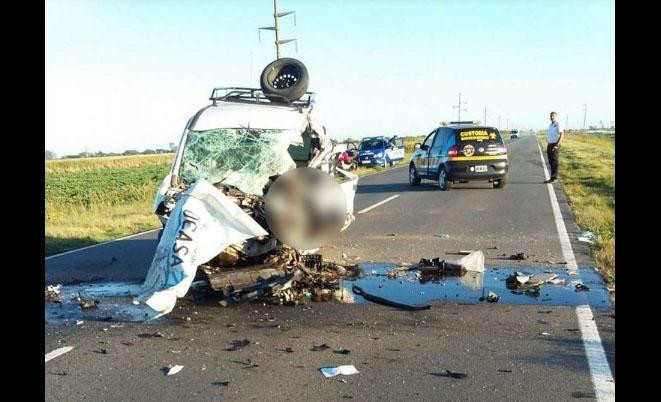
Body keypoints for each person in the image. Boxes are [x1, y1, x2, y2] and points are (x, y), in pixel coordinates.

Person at [545, 111, 564, 183]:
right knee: (550, 161)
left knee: (554, 161)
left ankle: (554, 178)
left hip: (555, 145)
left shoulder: (558, 124)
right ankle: (552, 177)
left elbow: (562, 135)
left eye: (553, 116)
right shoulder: (550, 125)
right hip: (549, 144)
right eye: (551, 116)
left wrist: (557, 145)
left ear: (556, 116)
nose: (552, 117)